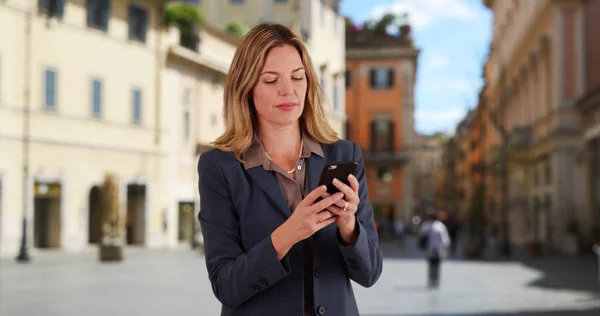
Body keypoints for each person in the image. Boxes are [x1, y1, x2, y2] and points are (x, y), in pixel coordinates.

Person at [197, 23, 383, 316]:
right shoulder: (219, 168)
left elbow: (370, 274)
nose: (288, 90)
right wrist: (287, 235)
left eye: (298, 77)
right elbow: (226, 285)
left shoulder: (346, 155)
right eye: (271, 80)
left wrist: (349, 227)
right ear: (246, 88)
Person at [418, 208, 450, 288]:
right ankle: (436, 281)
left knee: (431, 265)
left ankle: (431, 280)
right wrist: (446, 249)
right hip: (438, 249)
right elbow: (445, 239)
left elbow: (421, 235)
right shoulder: (440, 226)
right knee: (437, 265)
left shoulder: (426, 225)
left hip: (429, 249)